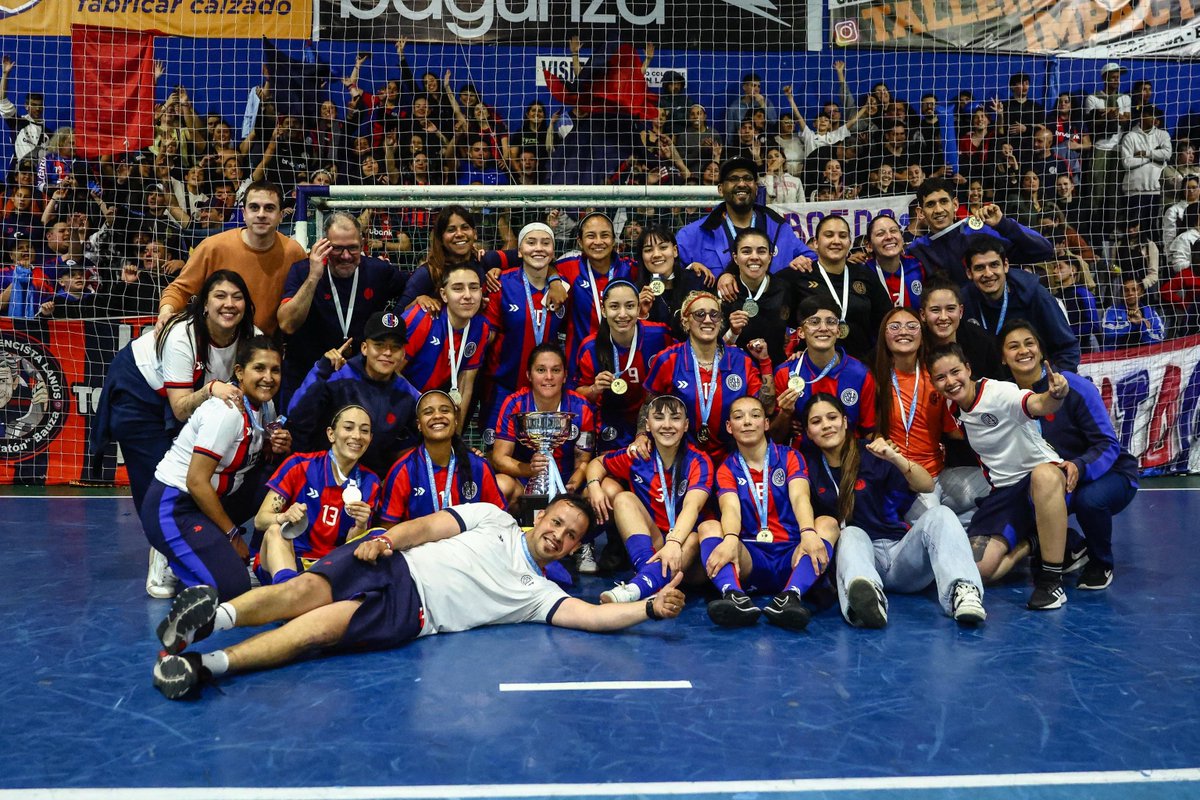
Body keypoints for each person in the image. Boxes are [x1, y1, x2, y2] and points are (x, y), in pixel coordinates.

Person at [150, 495, 687, 700]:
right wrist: (385, 540)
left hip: (414, 610)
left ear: (572, 548)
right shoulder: (493, 517)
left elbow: (591, 617)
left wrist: (648, 607)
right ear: (541, 515)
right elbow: (428, 526)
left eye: (571, 536)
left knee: (317, 628)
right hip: (389, 560)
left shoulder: (540, 593)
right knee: (301, 589)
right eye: (558, 522)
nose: (560, 536)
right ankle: (209, 621)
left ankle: (202, 666)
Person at [799, 393, 985, 627]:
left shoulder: (873, 452)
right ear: (808, 432)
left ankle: (963, 592)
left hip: (901, 554)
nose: (826, 425)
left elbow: (927, 485)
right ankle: (867, 601)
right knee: (850, 533)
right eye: (816, 422)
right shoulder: (807, 466)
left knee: (941, 514)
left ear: (845, 422)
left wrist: (895, 458)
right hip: (859, 558)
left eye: (832, 417)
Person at [91, 270, 258, 526]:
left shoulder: (253, 338)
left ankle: (204, 533)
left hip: (187, 396)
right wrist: (210, 389)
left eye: (237, 297)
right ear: (205, 304)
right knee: (161, 476)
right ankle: (163, 543)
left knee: (207, 466)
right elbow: (180, 409)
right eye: (220, 296)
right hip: (138, 389)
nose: (229, 304)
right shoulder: (183, 336)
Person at [141, 336, 291, 603]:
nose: (268, 378)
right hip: (173, 506)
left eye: (275, 370)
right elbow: (196, 481)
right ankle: (171, 555)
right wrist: (232, 535)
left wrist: (275, 445)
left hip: (209, 500)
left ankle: (249, 555)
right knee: (232, 589)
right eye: (259, 368)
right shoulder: (227, 411)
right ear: (239, 372)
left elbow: (250, 451)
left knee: (277, 476)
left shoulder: (265, 406)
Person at [926, 342, 1072, 610]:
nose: (951, 381)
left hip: (1043, 481)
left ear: (968, 369)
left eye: (955, 372)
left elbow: (1039, 404)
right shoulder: (952, 406)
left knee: (1043, 475)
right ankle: (1034, 541)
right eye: (941, 377)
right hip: (1003, 493)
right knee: (978, 570)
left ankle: (1051, 581)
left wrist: (1056, 394)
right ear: (934, 383)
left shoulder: (999, 392)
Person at [999, 321, 1138, 590]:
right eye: (1013, 346)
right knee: (1023, 498)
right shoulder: (1006, 396)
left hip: (1110, 472)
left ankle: (1101, 562)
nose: (1023, 351)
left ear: (1041, 350)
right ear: (1003, 358)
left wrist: (1080, 465)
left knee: (1089, 500)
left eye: (1029, 343)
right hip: (1057, 477)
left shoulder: (1073, 386)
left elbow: (1108, 444)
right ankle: (1073, 546)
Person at [701, 396, 836, 631]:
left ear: (765, 423)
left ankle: (790, 596)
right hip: (751, 558)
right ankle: (735, 596)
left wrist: (808, 531)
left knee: (827, 523)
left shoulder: (790, 456)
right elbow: (730, 508)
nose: (747, 422)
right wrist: (731, 538)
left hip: (793, 554)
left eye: (755, 415)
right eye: (739, 417)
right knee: (708, 527)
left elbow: (800, 497)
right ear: (729, 427)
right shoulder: (726, 468)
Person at [586, 395, 712, 603]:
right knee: (624, 499)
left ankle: (640, 586)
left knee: (694, 537)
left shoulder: (699, 460)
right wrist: (593, 486)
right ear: (647, 425)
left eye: (675, 418)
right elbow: (598, 463)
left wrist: (674, 542)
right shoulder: (638, 456)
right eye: (659, 418)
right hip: (653, 547)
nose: (667, 425)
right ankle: (647, 577)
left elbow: (692, 506)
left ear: (686, 425)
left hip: (687, 556)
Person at [276, 212, 407, 406]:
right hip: (306, 381)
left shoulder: (378, 271)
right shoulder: (302, 271)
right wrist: (313, 277)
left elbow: (414, 286)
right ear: (324, 245)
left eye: (352, 248)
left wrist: (420, 298)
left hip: (358, 386)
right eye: (337, 248)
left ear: (362, 244)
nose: (346, 256)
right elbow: (287, 324)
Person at [871, 306, 987, 525]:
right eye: (894, 327)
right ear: (884, 335)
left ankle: (961, 526)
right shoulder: (874, 378)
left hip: (940, 474)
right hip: (906, 481)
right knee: (939, 521)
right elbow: (866, 430)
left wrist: (993, 424)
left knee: (1003, 483)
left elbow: (953, 430)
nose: (903, 331)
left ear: (922, 333)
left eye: (911, 326)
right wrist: (878, 439)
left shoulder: (936, 377)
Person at [252, 405, 380, 586]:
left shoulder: (370, 482)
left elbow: (351, 546)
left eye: (364, 431)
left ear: (370, 439)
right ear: (331, 434)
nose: (357, 436)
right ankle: (289, 588)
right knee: (275, 530)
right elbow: (260, 520)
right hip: (288, 558)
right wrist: (284, 517)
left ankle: (295, 594)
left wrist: (360, 526)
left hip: (330, 566)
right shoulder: (299, 465)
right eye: (348, 427)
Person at [156, 181, 306, 335]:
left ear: (281, 215)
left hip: (267, 345)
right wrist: (166, 312)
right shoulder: (212, 247)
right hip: (217, 342)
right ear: (244, 213)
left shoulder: (293, 252)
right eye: (254, 207)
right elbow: (179, 289)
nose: (261, 214)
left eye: (269, 208)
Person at [287, 311, 421, 477]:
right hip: (323, 473)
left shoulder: (408, 395)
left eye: (395, 347)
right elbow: (296, 415)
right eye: (379, 345)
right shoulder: (336, 376)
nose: (387, 352)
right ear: (364, 348)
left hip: (371, 482)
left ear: (403, 354)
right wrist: (321, 371)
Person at [644, 291, 768, 465]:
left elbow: (766, 407)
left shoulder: (741, 361)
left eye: (714, 314)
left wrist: (765, 362)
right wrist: (641, 435)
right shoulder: (668, 360)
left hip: (733, 460)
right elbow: (648, 405)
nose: (708, 320)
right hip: (682, 459)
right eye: (700, 314)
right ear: (685, 321)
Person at [482, 223, 570, 440]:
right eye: (531, 243)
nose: (538, 248)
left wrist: (555, 280)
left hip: (548, 388)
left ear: (553, 251)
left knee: (544, 452)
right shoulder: (500, 284)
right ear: (520, 251)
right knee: (498, 451)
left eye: (545, 243)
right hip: (504, 387)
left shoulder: (564, 289)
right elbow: (487, 335)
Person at [489, 344, 596, 511]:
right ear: (529, 375)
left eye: (556, 370)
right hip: (524, 482)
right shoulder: (515, 404)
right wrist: (529, 470)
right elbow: (499, 458)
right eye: (541, 370)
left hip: (568, 482)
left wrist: (572, 485)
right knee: (501, 484)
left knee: (597, 493)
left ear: (565, 376)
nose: (549, 377)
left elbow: (583, 461)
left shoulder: (581, 407)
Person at [379, 390, 508, 524]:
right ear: (419, 424)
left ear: (456, 420)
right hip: (421, 538)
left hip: (471, 537)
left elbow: (500, 519)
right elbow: (388, 528)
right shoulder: (403, 471)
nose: (437, 416)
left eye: (445, 410)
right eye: (428, 412)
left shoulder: (478, 467)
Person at [676, 157, 815, 281]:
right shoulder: (693, 234)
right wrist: (689, 269)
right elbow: (671, 271)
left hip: (772, 301)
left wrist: (802, 263)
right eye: (733, 179)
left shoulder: (780, 228)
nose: (742, 184)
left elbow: (814, 261)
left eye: (748, 178)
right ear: (720, 189)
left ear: (756, 188)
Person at [574, 280, 673, 452]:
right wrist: (594, 389)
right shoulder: (590, 348)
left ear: (638, 308)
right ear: (604, 310)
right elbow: (576, 395)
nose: (622, 314)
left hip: (654, 422)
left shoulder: (659, 336)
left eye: (629, 306)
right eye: (614, 306)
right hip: (611, 423)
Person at [770, 296, 876, 449]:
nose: (823, 328)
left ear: (838, 331)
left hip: (850, 457)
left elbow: (869, 432)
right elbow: (775, 438)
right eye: (814, 322)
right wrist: (785, 414)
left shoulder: (861, 374)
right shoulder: (785, 373)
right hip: (803, 458)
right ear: (801, 332)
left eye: (831, 322)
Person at [960, 239, 1080, 372]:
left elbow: (1068, 349)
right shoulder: (963, 302)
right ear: (969, 273)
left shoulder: (1035, 295)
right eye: (979, 268)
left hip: (1034, 380)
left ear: (1005, 266)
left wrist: (1049, 379)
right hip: (988, 382)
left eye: (994, 265)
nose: (988, 274)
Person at [906, 178, 1055, 284]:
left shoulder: (979, 233)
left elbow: (1044, 250)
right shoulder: (917, 250)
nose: (938, 210)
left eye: (944, 201)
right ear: (920, 213)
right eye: (930, 204)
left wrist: (1003, 224)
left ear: (955, 204)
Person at [791, 215, 891, 363]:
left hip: (861, 364)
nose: (836, 241)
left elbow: (886, 319)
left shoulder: (865, 275)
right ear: (816, 242)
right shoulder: (799, 275)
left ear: (849, 242)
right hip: (813, 365)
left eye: (843, 236)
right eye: (829, 235)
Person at [400, 265, 490, 428]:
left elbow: (465, 385)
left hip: (432, 409)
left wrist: (456, 436)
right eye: (458, 288)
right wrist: (422, 401)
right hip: (399, 403)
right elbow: (390, 372)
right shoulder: (422, 317)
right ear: (443, 294)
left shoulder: (481, 327)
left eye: (474, 288)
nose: (468, 295)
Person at [553, 211, 638, 366]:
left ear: (613, 240)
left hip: (624, 363)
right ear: (580, 241)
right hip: (580, 363)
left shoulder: (630, 269)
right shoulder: (568, 267)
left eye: (605, 235)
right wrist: (553, 280)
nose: (598, 242)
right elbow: (542, 266)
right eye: (591, 236)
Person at [720, 228, 799, 366]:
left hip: (776, 370)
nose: (754, 257)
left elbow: (801, 328)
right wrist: (732, 332)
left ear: (770, 257)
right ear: (735, 258)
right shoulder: (725, 291)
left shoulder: (785, 288)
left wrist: (799, 352)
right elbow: (715, 349)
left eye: (761, 251)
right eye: (746, 251)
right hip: (735, 372)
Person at [634, 224, 712, 341]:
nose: (656, 255)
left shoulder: (697, 282)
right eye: (648, 250)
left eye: (663, 247)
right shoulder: (636, 293)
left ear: (675, 251)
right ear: (642, 256)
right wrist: (640, 315)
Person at [863, 214, 926, 310]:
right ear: (869, 246)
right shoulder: (863, 274)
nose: (889, 237)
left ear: (902, 238)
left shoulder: (917, 265)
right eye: (880, 234)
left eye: (893, 231)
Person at [0, 57, 47, 171]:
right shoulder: (18, 122)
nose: (37, 108)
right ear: (26, 106)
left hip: (37, 178)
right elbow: (2, 100)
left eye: (40, 105)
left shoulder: (48, 133)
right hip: (17, 174)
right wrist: (5, 74)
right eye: (33, 105)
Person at [1099, 277, 1166, 350]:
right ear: (1122, 294)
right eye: (1126, 290)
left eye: (1134, 289)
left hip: (1145, 354)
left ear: (1142, 293)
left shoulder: (1151, 312)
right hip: (1118, 354)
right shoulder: (1112, 311)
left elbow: (1159, 338)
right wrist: (1132, 325)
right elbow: (1108, 334)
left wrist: (1141, 325)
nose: (1130, 293)